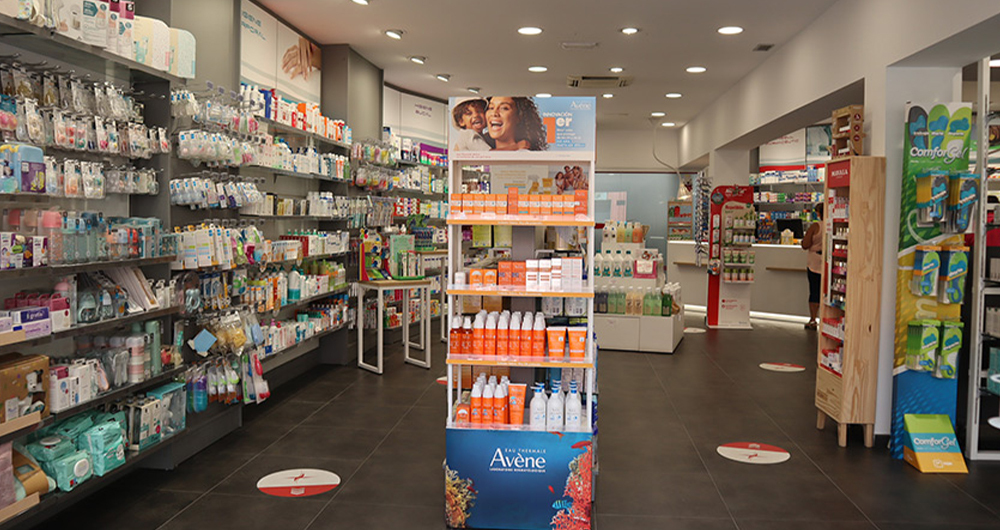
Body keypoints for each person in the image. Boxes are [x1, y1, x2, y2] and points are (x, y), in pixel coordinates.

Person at [801, 203, 824, 329]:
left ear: (819, 213)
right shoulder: (835, 224)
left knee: (814, 290)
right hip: (828, 261)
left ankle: (813, 319)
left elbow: (805, 244)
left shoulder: (816, 226)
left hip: (814, 262)